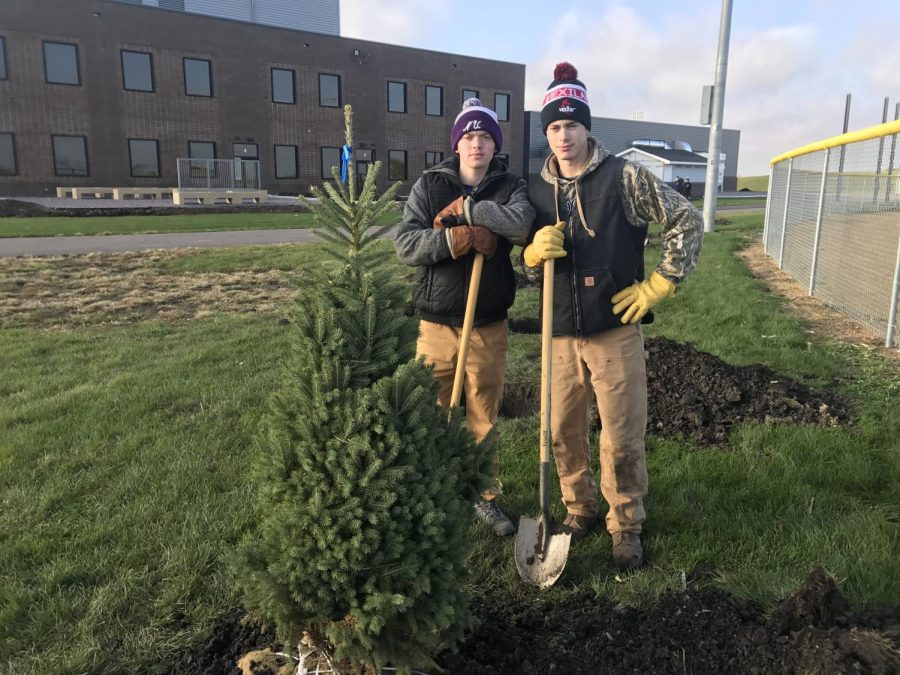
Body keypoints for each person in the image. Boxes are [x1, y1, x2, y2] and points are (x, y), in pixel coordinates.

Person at [522, 63, 703, 570]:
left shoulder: (624, 175)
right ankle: (578, 509)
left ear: (587, 126)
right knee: (562, 430)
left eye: (571, 125)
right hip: (557, 334)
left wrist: (661, 282)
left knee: (621, 435)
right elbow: (528, 266)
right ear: (547, 132)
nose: (563, 136)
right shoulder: (535, 190)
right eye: (554, 127)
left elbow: (686, 219)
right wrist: (531, 257)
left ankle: (625, 524)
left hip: (613, 330)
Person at [394, 98, 535, 536]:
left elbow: (522, 225)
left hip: (487, 326)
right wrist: (455, 242)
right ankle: (430, 491)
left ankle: (483, 496)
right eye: (469, 136)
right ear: (457, 143)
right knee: (431, 413)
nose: (477, 144)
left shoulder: (512, 186)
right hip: (435, 325)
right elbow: (405, 244)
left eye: (485, 136)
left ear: (495, 144)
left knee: (483, 416)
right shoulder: (429, 185)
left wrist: (475, 212)